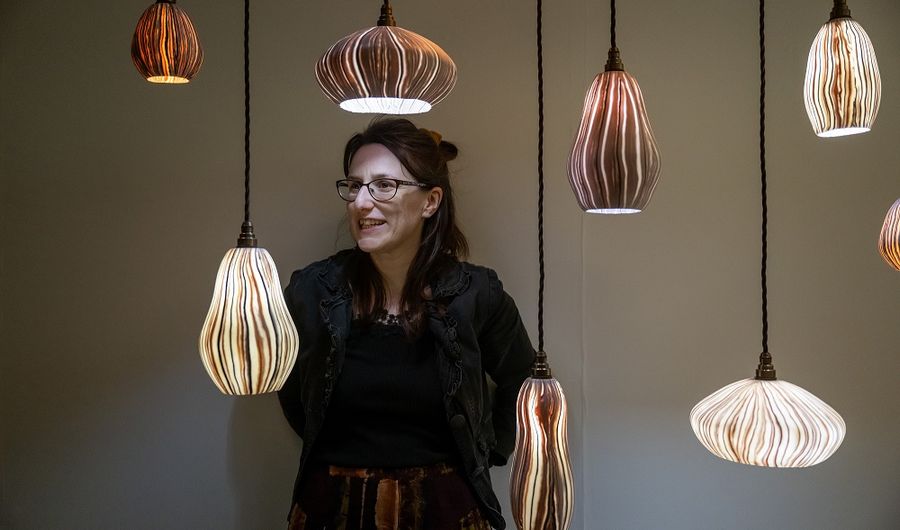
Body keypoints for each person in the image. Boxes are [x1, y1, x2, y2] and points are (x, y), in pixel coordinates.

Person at [278, 118, 535, 530]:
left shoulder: (475, 294)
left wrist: (486, 451)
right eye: (354, 185)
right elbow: (288, 387)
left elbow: (525, 381)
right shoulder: (313, 291)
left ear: (430, 201)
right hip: (331, 510)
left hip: (447, 511)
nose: (362, 203)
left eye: (384, 185)